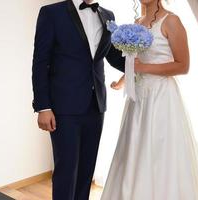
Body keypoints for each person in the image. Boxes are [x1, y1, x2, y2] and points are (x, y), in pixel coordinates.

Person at [101, 0, 198, 199]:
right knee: (135, 150)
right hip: (138, 99)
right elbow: (135, 62)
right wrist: (123, 80)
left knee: (161, 152)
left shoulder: (172, 21)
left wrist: (143, 68)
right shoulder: (137, 22)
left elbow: (183, 66)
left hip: (161, 97)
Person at [31, 0, 124, 199]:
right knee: (66, 171)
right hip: (63, 106)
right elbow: (40, 62)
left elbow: (114, 57)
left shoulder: (108, 15)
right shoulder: (51, 13)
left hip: (96, 105)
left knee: (86, 172)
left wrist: (144, 63)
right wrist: (43, 106)